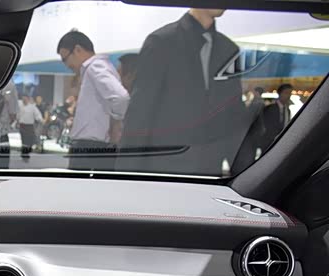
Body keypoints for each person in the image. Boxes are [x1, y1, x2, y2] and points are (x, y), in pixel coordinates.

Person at [118, 9, 248, 175]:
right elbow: (141, 111)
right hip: (164, 169)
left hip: (210, 171)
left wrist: (243, 173)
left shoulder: (228, 49)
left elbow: (234, 114)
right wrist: (126, 172)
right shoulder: (162, 42)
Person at [58, 30, 129, 170]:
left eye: (65, 59)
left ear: (77, 50)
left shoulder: (95, 67)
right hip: (92, 148)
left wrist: (116, 122)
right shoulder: (96, 68)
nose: (66, 65)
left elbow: (121, 98)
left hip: (90, 149)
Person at [258, 83, 294, 151]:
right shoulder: (270, 108)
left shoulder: (287, 111)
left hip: (281, 144)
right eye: (286, 93)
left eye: (290, 93)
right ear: (279, 93)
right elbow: (266, 126)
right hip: (269, 144)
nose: (289, 96)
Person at [17, 95, 42, 160]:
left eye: (25, 99)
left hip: (29, 126)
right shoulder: (20, 105)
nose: (24, 100)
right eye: (23, 99)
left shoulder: (32, 107)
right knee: (24, 140)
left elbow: (37, 114)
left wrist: (40, 119)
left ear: (28, 99)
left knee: (30, 140)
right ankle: (24, 153)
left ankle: (27, 150)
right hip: (22, 125)